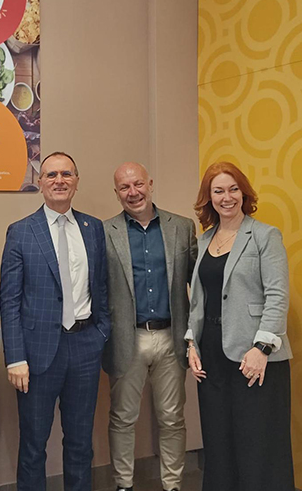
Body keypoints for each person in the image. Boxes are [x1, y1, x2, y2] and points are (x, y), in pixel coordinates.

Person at [0, 151, 110, 491]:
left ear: (76, 181)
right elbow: (10, 299)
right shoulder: (21, 232)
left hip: (85, 346)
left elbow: (102, 287)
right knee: (34, 444)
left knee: (80, 442)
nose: (59, 180)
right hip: (37, 354)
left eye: (66, 174)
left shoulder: (93, 228)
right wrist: (15, 357)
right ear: (40, 182)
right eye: (51, 175)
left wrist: (101, 333)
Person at [185, 161, 295, 491]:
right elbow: (199, 298)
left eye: (233, 189)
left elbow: (277, 294)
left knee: (257, 442)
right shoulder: (204, 241)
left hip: (254, 356)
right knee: (218, 440)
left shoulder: (264, 236)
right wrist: (191, 343)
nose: (227, 197)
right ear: (209, 197)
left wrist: (262, 348)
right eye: (218, 191)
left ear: (244, 193)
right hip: (212, 354)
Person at [103, 162, 197, 491]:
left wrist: (195, 337)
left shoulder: (181, 227)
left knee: (172, 417)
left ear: (150, 184)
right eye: (124, 187)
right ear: (116, 193)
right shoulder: (104, 232)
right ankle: (123, 484)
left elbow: (199, 286)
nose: (133, 192)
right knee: (122, 417)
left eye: (138, 184)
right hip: (127, 339)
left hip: (171, 337)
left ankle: (173, 485)